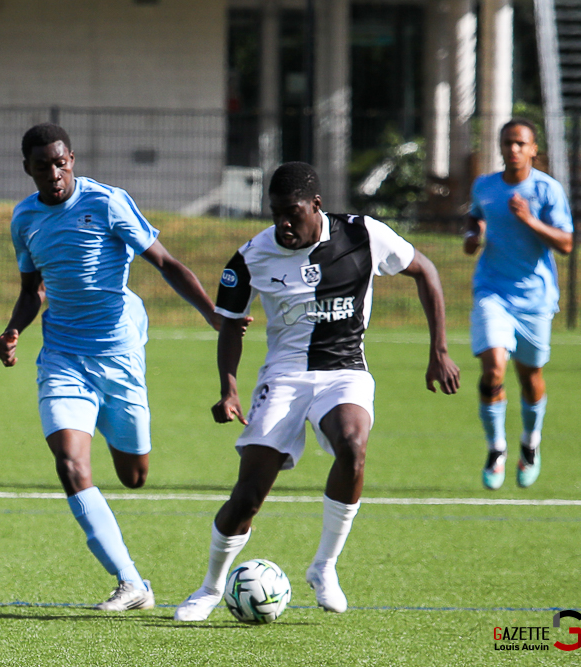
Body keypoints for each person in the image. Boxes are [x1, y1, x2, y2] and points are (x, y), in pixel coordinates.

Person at [173, 162, 460, 621]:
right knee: (248, 496)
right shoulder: (251, 256)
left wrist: (439, 351)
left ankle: (324, 566)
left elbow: (426, 271)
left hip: (344, 370)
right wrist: (228, 387)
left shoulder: (363, 234)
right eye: (275, 214)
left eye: (292, 212)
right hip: (284, 375)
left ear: (316, 206)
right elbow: (229, 323)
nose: (283, 223)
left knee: (353, 445)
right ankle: (209, 588)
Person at [0, 123, 220, 611]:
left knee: (134, 475)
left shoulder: (107, 203)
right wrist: (15, 329)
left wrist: (212, 314)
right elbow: (31, 290)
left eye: (61, 163)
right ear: (27, 169)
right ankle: (131, 582)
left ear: (72, 159)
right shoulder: (24, 219)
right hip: (62, 356)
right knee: (71, 464)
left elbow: (165, 262)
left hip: (119, 354)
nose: (54, 173)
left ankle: (106, 414)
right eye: (42, 166)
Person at [463, 119, 573, 490]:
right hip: (492, 290)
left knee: (530, 377)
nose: (513, 149)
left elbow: (567, 243)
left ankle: (530, 442)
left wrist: (529, 219)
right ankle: (496, 448)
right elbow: (475, 215)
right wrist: (471, 234)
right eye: (507, 143)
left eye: (520, 144)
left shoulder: (547, 190)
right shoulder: (486, 186)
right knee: (493, 368)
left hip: (536, 298)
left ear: (533, 150)